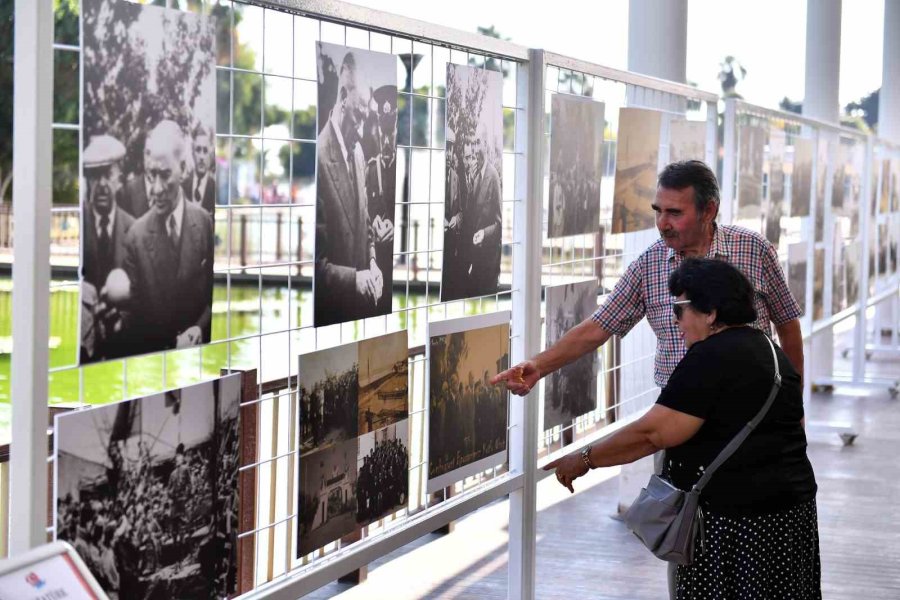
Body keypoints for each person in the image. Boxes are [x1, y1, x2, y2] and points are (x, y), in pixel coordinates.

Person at [544, 258, 820, 599]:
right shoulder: (768, 349)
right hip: (787, 516)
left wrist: (585, 458)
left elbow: (653, 434)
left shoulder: (710, 357)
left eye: (680, 309)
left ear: (711, 312)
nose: (675, 322)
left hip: (735, 525)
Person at [493, 160, 803, 396]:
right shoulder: (649, 264)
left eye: (674, 213)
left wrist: (793, 402)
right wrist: (538, 366)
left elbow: (788, 326)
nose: (662, 223)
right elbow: (598, 327)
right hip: (679, 414)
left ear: (709, 210)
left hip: (752, 407)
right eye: (658, 211)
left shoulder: (753, 249)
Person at [121, 119, 214, 352]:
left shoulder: (204, 223)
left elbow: (214, 294)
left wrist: (199, 329)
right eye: (152, 175)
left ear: (183, 169)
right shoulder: (136, 237)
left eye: (165, 175)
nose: (157, 189)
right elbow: (132, 319)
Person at [314, 51, 383, 325]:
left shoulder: (357, 155)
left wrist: (374, 262)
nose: (364, 129)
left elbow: (365, 225)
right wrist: (355, 279)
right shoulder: (319, 157)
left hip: (358, 317)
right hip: (332, 315)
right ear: (343, 98)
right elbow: (317, 265)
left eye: (367, 119)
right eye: (359, 117)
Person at [82, 135, 136, 293]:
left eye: (108, 174)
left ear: (119, 178)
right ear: (87, 179)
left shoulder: (133, 229)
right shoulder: (81, 223)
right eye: (95, 176)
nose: (102, 184)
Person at [461, 135, 502, 297]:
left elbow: (499, 224)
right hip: (474, 260)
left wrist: (484, 233)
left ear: (485, 144)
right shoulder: (477, 175)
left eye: (478, 142)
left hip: (488, 263)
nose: (475, 148)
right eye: (473, 143)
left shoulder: (493, 176)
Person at [183, 123, 216, 217]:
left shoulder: (215, 189)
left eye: (205, 151)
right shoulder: (183, 188)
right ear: (192, 153)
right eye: (198, 150)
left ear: (210, 155)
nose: (201, 156)